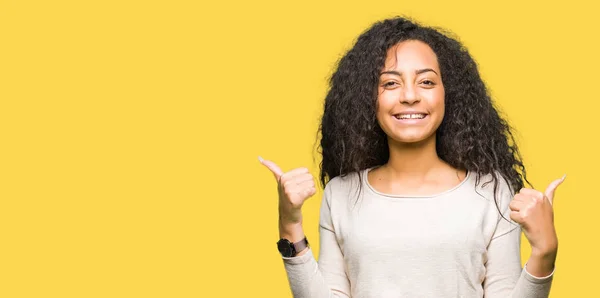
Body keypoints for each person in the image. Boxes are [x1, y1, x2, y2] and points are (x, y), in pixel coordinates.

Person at [259, 16, 565, 298]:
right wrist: (290, 225)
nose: (409, 95)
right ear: (369, 98)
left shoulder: (492, 193)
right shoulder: (340, 195)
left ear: (449, 94)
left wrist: (545, 252)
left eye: (427, 82)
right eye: (390, 83)